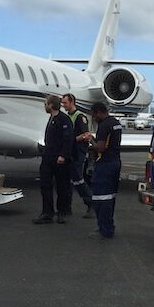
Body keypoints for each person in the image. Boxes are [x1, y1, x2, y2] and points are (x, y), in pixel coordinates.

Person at [33, 95, 74, 225]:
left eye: (46, 104)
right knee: (45, 185)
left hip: (59, 159)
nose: (44, 106)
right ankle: (47, 213)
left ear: (51, 105)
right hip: (48, 157)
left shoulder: (64, 119)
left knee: (62, 186)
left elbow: (68, 139)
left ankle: (62, 213)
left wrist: (63, 155)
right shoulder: (51, 119)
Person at [85, 102, 122, 239]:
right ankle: (108, 226)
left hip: (104, 165)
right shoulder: (116, 123)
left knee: (101, 198)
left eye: (94, 115)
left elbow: (100, 147)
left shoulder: (104, 125)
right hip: (115, 162)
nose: (94, 118)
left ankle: (104, 230)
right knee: (110, 197)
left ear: (98, 112)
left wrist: (91, 140)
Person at [61, 93, 95, 219]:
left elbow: (87, 134)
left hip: (77, 153)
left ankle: (91, 203)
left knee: (78, 179)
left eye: (65, 103)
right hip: (69, 152)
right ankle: (66, 208)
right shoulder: (66, 117)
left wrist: (72, 140)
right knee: (67, 180)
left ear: (72, 102)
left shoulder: (79, 117)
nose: (63, 105)